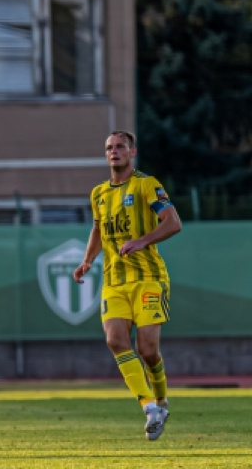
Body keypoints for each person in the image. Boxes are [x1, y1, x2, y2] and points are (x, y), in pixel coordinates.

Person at [73, 130, 182, 441]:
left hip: (148, 278)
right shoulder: (98, 194)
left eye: (120, 146)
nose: (114, 151)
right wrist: (87, 260)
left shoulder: (147, 185)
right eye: (109, 147)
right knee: (115, 340)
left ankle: (161, 401)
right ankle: (148, 406)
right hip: (114, 282)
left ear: (132, 152)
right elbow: (98, 229)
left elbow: (173, 222)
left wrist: (141, 241)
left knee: (147, 350)